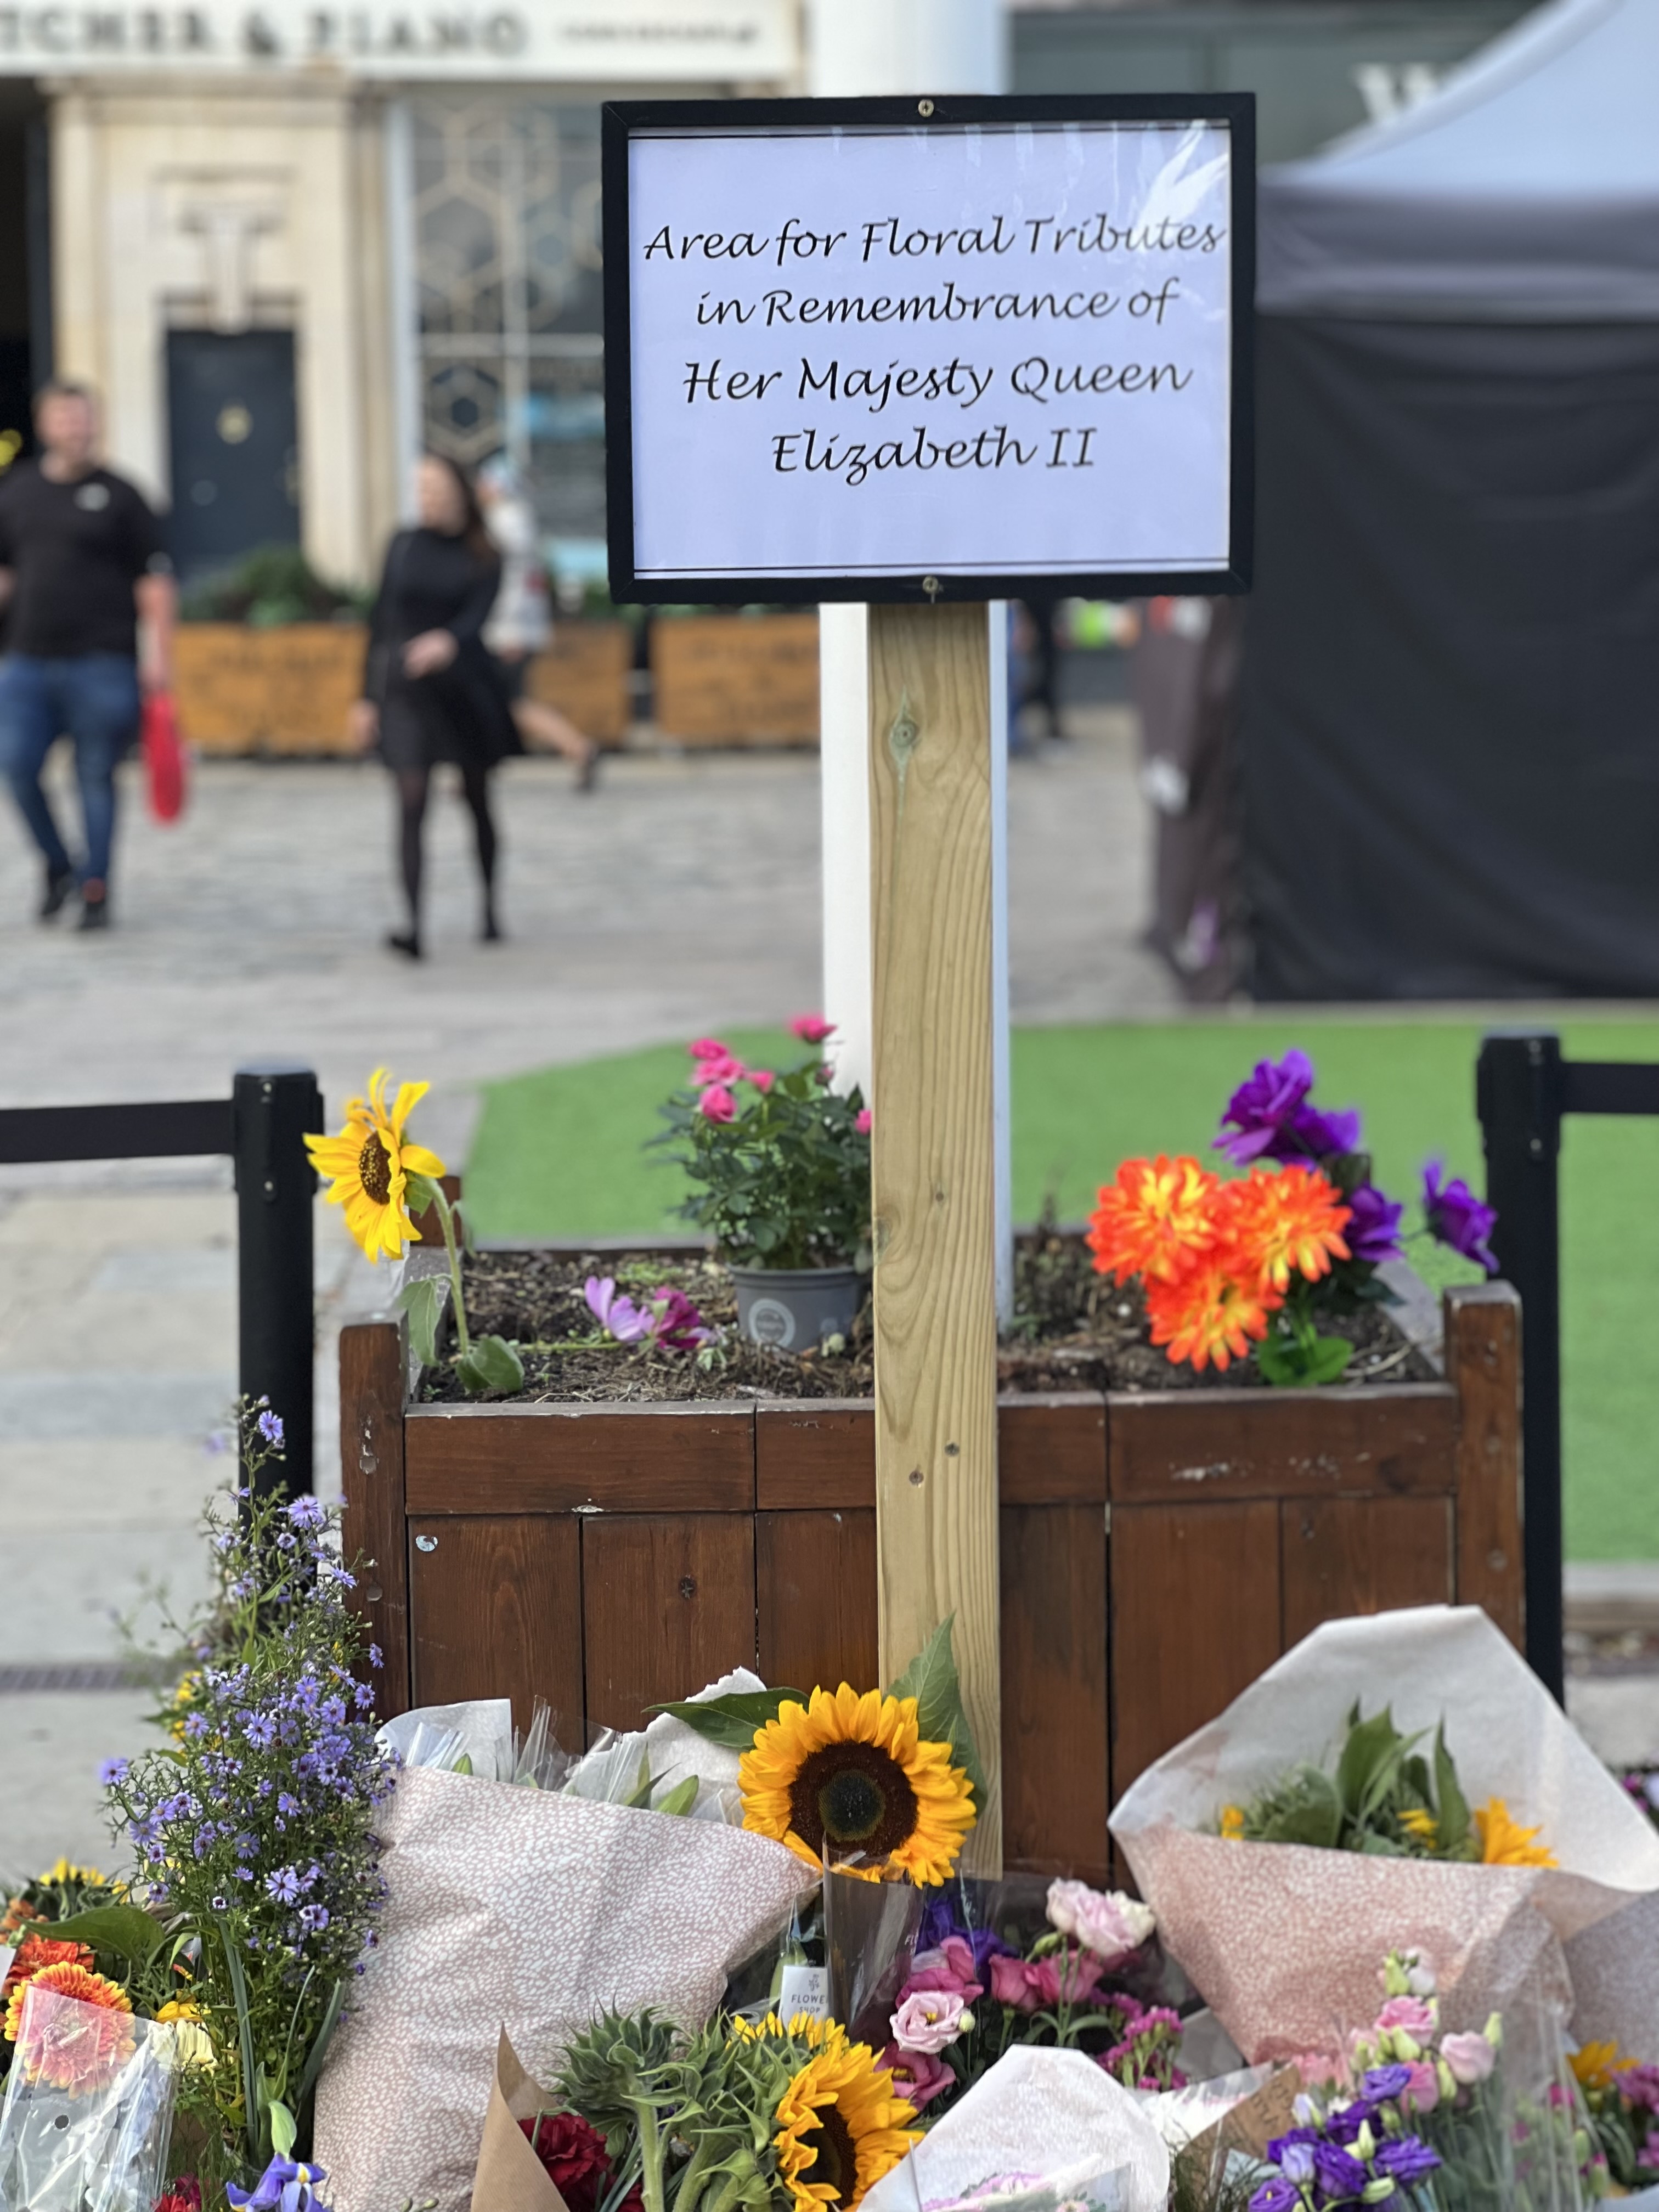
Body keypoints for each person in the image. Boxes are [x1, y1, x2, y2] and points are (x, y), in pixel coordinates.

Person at [0, 380, 176, 929]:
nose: (76, 429)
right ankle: (58, 865)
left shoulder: (123, 496)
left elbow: (155, 583)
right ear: (44, 425)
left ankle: (95, 889)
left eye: (84, 419)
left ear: (95, 424)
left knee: (94, 775)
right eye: (64, 419)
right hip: (26, 660)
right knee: (17, 766)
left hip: (103, 661)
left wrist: (159, 659)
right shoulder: (18, 491)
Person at [352, 453, 520, 959]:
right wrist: (364, 697)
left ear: (459, 492)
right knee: (410, 799)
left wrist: (448, 641)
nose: (427, 498)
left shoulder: (485, 552)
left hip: (464, 686)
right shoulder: (402, 544)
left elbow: (477, 618)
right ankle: (413, 926)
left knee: (476, 796)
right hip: (406, 690)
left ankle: (490, 907)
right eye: (420, 489)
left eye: (436, 488)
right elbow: (380, 621)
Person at [476, 456, 600, 790]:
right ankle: (479, 766)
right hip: (512, 628)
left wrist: (512, 632)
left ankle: (576, 746)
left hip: (507, 631)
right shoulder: (516, 521)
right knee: (502, 701)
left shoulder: (504, 524)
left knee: (509, 702)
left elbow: (510, 587)